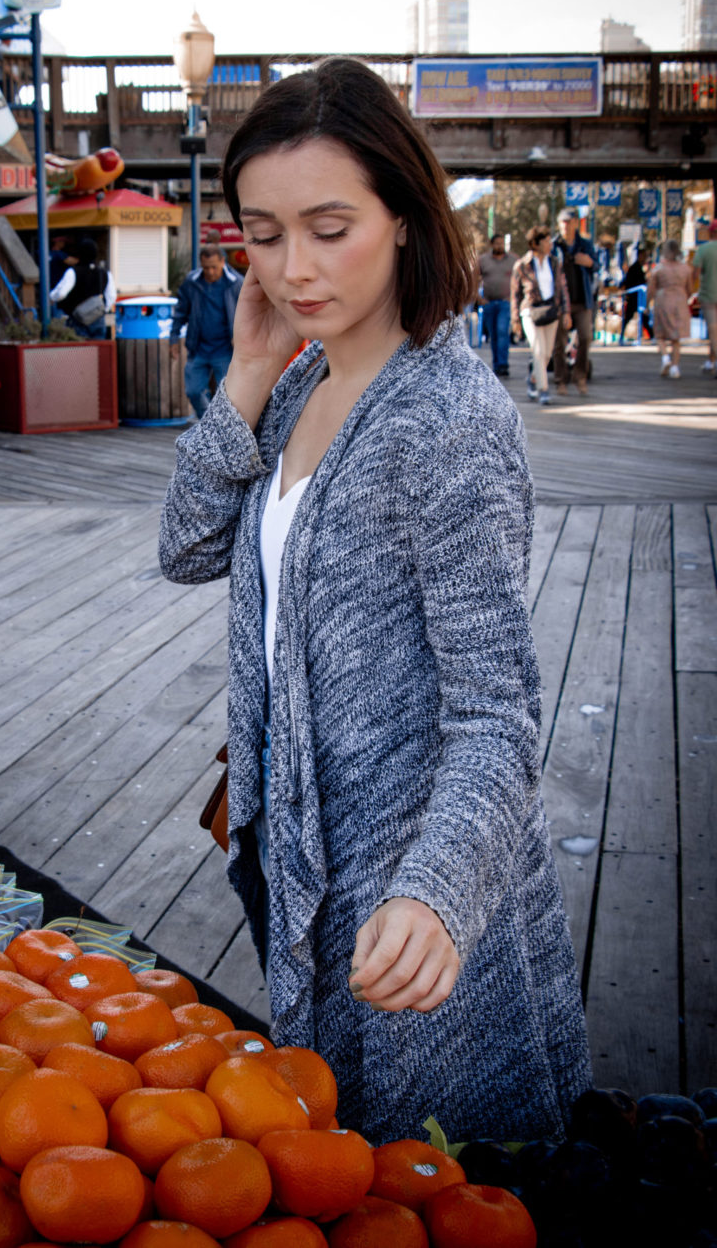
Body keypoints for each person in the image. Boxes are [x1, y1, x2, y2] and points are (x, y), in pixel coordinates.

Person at [158, 57, 591, 1146]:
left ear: (403, 213)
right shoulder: (303, 377)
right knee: (334, 1159)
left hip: (411, 896)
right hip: (295, 852)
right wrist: (250, 375)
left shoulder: (445, 417)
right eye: (263, 235)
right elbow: (187, 546)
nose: (293, 267)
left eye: (328, 226)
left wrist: (438, 891)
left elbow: (497, 714)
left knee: (434, 1172)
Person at [170, 243, 244, 418]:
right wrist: (173, 338)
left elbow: (249, 315)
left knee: (227, 396)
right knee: (193, 391)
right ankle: (208, 422)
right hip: (198, 347)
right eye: (205, 268)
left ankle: (222, 429)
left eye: (213, 267)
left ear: (223, 262)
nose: (210, 272)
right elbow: (180, 311)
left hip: (225, 349)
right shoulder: (192, 282)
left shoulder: (236, 284)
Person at [510, 226, 571, 406]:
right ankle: (543, 390)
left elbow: (563, 287)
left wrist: (566, 311)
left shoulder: (554, 262)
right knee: (538, 349)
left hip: (551, 310)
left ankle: (533, 377)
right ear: (535, 244)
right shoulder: (522, 265)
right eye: (545, 241)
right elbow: (515, 294)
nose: (549, 244)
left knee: (546, 354)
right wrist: (515, 320)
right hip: (530, 310)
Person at [551, 208, 596, 396]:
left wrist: (589, 263)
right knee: (559, 342)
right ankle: (561, 379)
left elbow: (596, 266)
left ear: (576, 223)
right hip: (561, 303)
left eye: (569, 222)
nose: (566, 226)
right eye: (563, 222)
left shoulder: (584, 244)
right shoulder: (554, 245)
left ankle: (580, 377)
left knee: (585, 338)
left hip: (582, 299)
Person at [50, 237, 116, 338]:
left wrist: (51, 297)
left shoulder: (73, 272)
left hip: (78, 318)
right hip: (98, 317)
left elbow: (61, 293)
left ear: (79, 254)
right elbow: (111, 296)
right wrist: (101, 310)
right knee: (99, 350)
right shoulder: (105, 273)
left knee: (81, 350)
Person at [647, 239, 693, 379]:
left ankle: (665, 357)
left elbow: (651, 289)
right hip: (680, 301)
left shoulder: (658, 269)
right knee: (676, 337)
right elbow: (690, 289)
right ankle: (675, 367)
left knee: (660, 334)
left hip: (663, 300)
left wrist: (648, 303)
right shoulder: (685, 269)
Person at [477, 233, 516, 377]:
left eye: (502, 243)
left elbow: (519, 278)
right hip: (489, 302)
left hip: (505, 302)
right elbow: (472, 277)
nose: (500, 246)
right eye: (497, 243)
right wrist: (478, 298)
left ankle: (503, 364)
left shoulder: (512, 260)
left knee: (502, 331)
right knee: (493, 334)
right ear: (492, 244)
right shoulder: (483, 260)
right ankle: (496, 364)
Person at [691, 217, 717, 374]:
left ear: (709, 232)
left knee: (713, 331)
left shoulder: (703, 250)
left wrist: (690, 290)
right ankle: (710, 361)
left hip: (709, 295)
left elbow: (696, 273)